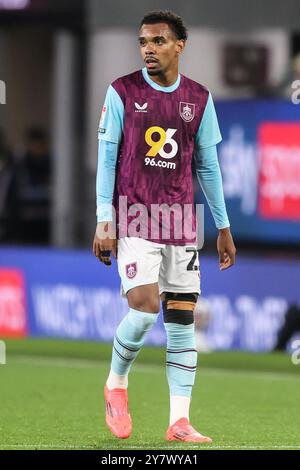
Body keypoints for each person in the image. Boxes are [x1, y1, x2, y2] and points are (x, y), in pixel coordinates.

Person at [93, 10, 236, 443]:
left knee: (181, 319)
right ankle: (116, 383)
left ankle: (179, 421)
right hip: (135, 215)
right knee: (143, 306)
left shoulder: (199, 98)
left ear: (179, 45)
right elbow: (106, 158)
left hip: (181, 220)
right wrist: (105, 218)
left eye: (157, 41)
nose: (148, 49)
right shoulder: (122, 91)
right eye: (143, 42)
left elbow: (208, 166)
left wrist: (223, 226)